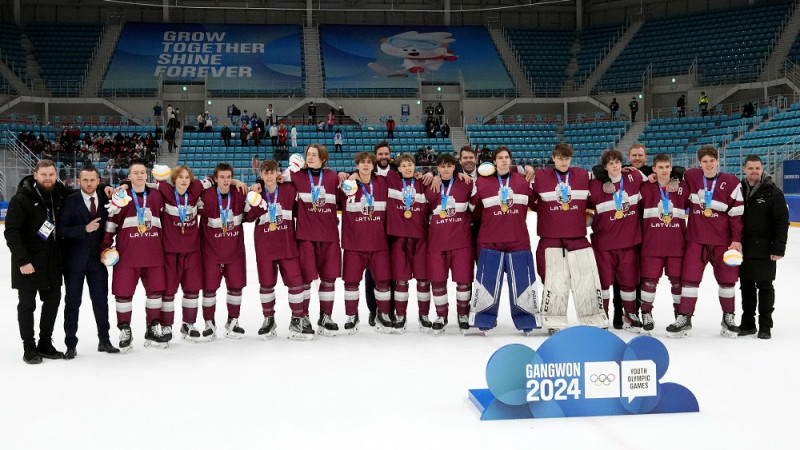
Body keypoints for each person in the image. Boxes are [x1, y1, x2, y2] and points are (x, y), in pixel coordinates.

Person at [667, 145, 744, 338]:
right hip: (696, 240)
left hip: (722, 242)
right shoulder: (692, 176)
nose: (708, 165)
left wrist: (736, 240)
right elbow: (675, 175)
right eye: (704, 162)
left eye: (712, 161)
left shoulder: (731, 182)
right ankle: (684, 316)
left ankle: (728, 317)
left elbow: (736, 215)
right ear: (699, 163)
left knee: (727, 282)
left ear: (717, 161)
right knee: (689, 281)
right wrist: (676, 176)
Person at [533, 143, 606, 333]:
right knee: (553, 280)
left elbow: (605, 177)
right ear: (553, 157)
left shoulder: (582, 175)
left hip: (577, 237)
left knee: (586, 279)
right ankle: (554, 321)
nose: (563, 161)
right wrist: (525, 168)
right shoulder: (540, 177)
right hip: (550, 237)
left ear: (571, 158)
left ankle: (594, 319)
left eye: (566, 158)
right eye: (560, 158)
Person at [5, 160, 71, 363]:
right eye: (44, 175)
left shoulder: (61, 193)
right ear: (35, 175)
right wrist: (23, 261)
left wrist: (113, 187)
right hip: (28, 262)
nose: (48, 179)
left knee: (52, 302)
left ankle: (44, 343)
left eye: (51, 175)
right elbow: (11, 232)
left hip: (52, 261)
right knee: (27, 305)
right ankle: (29, 347)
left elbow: (87, 189)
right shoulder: (21, 199)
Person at [102, 159, 169, 352]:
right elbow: (111, 223)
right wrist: (106, 246)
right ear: (129, 177)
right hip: (127, 256)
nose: (140, 175)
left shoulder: (157, 196)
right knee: (123, 294)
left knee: (155, 293)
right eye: (136, 173)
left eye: (142, 172)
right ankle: (124, 329)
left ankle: (153, 327)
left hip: (154, 254)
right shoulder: (121, 197)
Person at [470, 147, 539, 334]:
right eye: (499, 158)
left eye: (506, 157)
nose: (503, 160)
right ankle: (484, 320)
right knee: (488, 282)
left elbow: (537, 203)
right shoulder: (482, 183)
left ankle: (527, 320)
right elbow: (473, 211)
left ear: (511, 160)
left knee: (522, 282)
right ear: (493, 162)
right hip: (490, 239)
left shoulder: (522, 180)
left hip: (518, 238)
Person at [57, 166, 119, 358]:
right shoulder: (70, 201)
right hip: (74, 262)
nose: (89, 183)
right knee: (72, 303)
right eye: (85, 180)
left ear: (99, 180)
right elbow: (62, 230)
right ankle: (70, 344)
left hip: (97, 261)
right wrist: (84, 228)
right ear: (79, 181)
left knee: (101, 302)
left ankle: (104, 340)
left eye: (93, 180)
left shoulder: (105, 197)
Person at [280, 144, 341, 336]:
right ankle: (302, 315)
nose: (310, 157)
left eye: (315, 155)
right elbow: (276, 178)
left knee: (329, 279)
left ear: (323, 158)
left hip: (329, 236)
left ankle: (325, 316)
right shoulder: (298, 174)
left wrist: (351, 177)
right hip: (306, 237)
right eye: (309, 154)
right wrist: (290, 168)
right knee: (306, 279)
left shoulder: (332, 176)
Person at [247, 160, 310, 339]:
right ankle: (269, 319)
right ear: (261, 175)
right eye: (265, 173)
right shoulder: (255, 194)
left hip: (288, 246)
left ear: (277, 173)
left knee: (296, 284)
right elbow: (249, 218)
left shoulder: (289, 190)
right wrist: (255, 203)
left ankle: (297, 319)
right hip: (265, 248)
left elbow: (301, 210)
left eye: (271, 172)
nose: (268, 176)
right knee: (266, 285)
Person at [587, 149, 647, 332]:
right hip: (603, 244)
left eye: (617, 162)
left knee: (629, 283)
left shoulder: (635, 177)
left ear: (622, 164)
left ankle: (630, 316)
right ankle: (602, 316)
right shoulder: (594, 184)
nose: (615, 166)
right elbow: (586, 209)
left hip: (629, 243)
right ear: (605, 167)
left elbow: (656, 179)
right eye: (610, 163)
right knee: (603, 283)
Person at [338, 152, 392, 334]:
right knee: (351, 283)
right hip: (354, 244)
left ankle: (383, 313)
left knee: (383, 282)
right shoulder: (348, 184)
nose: (366, 165)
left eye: (369, 162)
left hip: (379, 243)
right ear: (357, 165)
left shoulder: (382, 182)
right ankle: (352, 315)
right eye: (362, 162)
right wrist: (343, 175)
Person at [738, 155, 789, 339]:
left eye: (757, 168)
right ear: (744, 169)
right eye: (750, 168)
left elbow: (782, 221)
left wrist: (779, 248)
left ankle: (765, 326)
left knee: (765, 287)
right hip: (743, 247)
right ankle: (748, 323)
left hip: (765, 248)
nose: (754, 171)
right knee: (746, 286)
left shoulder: (773, 192)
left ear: (762, 169)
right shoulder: (738, 190)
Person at [198, 163, 250, 340]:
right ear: (215, 178)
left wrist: (239, 182)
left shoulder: (239, 193)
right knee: (209, 289)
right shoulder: (206, 195)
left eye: (229, 177)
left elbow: (251, 211)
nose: (226, 180)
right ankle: (209, 323)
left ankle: (233, 321)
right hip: (211, 252)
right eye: (222, 177)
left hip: (234, 251)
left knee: (236, 288)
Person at [638, 154, 690, 333]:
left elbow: (692, 175)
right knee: (649, 281)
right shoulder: (644, 187)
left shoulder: (682, 187)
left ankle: (680, 315)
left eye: (667, 166)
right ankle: (646, 313)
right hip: (652, 244)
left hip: (676, 245)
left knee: (677, 282)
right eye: (660, 167)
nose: (664, 170)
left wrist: (677, 176)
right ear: (653, 169)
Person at [423, 154, 474, 334]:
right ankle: (441, 315)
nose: (445, 169)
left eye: (449, 166)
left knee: (463, 281)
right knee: (438, 281)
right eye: (442, 166)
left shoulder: (466, 183)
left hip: (461, 241)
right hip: (437, 242)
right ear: (437, 168)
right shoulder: (429, 186)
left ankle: (463, 314)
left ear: (455, 167)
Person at [385, 153, 431, 332]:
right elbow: (378, 165)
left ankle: (424, 315)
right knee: (401, 281)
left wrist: (429, 175)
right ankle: (401, 315)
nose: (407, 168)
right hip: (399, 238)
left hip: (420, 238)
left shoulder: (423, 182)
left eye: (410, 164)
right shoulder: (392, 179)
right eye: (403, 165)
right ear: (398, 168)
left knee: (423, 280)